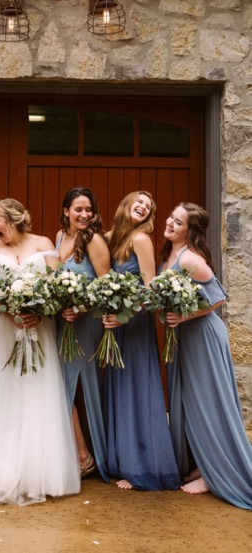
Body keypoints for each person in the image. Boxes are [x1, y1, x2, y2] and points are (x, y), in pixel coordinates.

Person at [0, 198, 79, 505]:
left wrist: (42, 312)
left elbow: (56, 284)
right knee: (3, 392)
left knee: (36, 391)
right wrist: (6, 309)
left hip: (38, 327)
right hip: (3, 327)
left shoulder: (44, 243)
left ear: (15, 218)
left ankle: (39, 473)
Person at [161, 203, 252, 510]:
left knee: (207, 402)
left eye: (178, 221)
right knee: (188, 401)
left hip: (203, 337)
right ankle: (201, 464)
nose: (171, 223)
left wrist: (184, 318)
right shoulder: (171, 254)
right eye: (171, 218)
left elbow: (219, 298)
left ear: (191, 231)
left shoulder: (190, 259)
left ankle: (216, 474)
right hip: (185, 338)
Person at [102, 192, 180, 491]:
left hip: (134, 322)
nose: (144, 207)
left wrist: (124, 316)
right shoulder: (113, 238)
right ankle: (121, 460)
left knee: (136, 387)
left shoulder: (141, 240)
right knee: (118, 387)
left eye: (149, 206)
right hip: (115, 323)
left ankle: (142, 466)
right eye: (140, 201)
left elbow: (151, 289)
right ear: (126, 202)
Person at [54, 187, 110, 481]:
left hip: (85, 322)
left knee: (78, 385)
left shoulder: (95, 241)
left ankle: (89, 456)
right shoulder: (60, 237)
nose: (84, 215)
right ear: (66, 211)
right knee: (60, 385)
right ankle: (75, 453)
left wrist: (81, 308)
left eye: (88, 209)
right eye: (78, 209)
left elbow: (106, 288)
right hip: (62, 322)